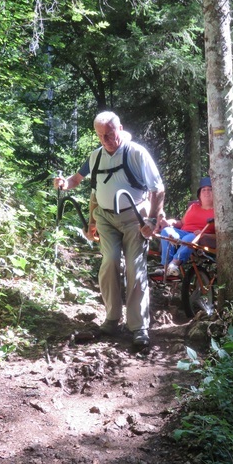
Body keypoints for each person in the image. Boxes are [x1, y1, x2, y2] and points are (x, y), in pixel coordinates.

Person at [55, 112, 165, 347]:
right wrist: (65, 184)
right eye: (100, 135)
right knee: (110, 261)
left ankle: (138, 327)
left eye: (110, 134)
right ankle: (112, 319)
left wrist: (152, 221)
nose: (106, 140)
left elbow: (158, 189)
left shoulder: (136, 153)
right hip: (105, 217)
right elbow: (79, 180)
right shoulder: (95, 156)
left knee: (135, 267)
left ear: (120, 129)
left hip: (135, 216)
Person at [159, 177, 215, 277]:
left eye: (210, 189)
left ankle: (174, 264)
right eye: (204, 190)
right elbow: (181, 223)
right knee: (166, 231)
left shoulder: (217, 211)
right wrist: (170, 222)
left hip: (197, 236)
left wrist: (204, 234)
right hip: (182, 232)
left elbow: (220, 235)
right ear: (199, 195)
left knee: (189, 238)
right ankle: (165, 267)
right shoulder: (193, 207)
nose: (207, 192)